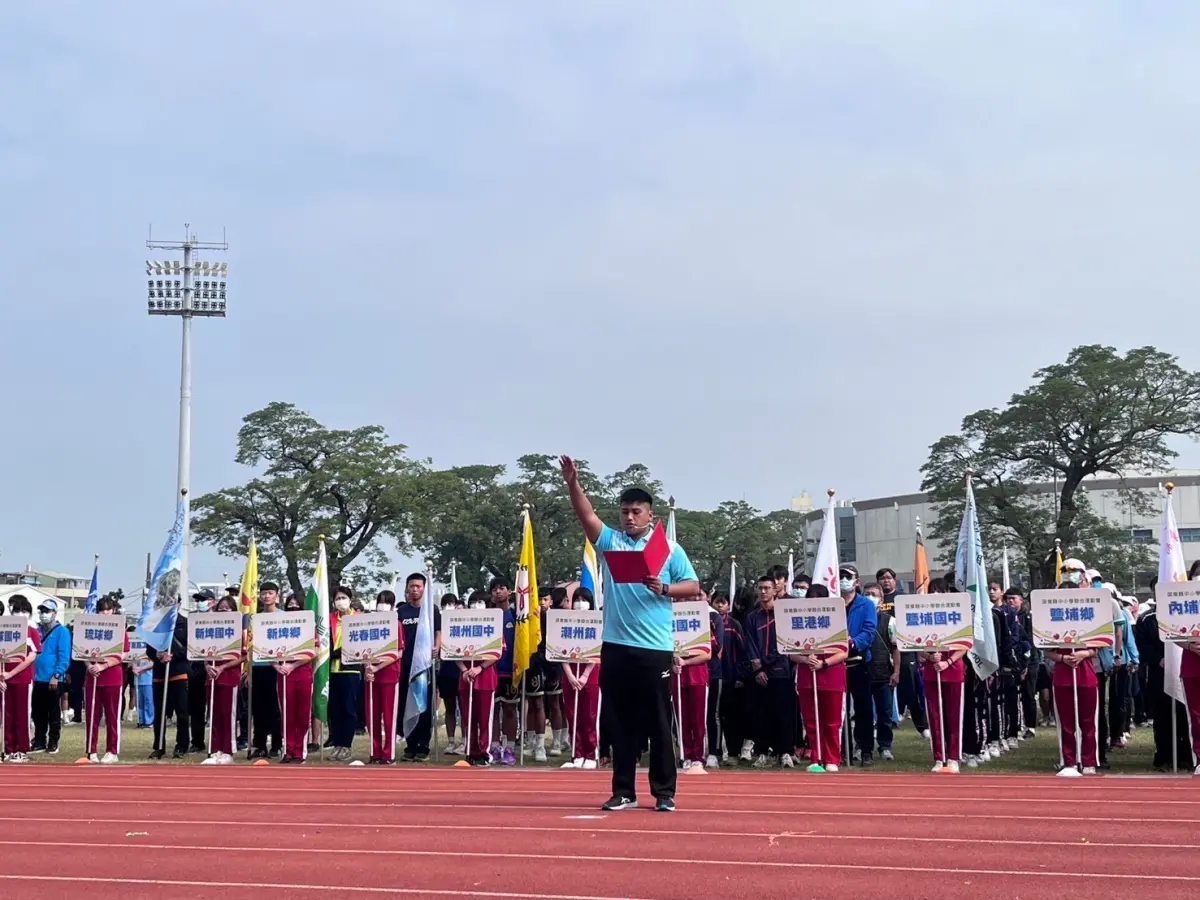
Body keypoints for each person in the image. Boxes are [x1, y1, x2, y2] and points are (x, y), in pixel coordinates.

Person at [561, 456, 700, 813]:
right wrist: (573, 484)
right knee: (619, 721)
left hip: (654, 648)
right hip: (616, 645)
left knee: (658, 720)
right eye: (624, 511)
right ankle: (624, 790)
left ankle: (664, 792)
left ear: (649, 514)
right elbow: (586, 514)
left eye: (636, 511)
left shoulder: (668, 548)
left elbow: (694, 586)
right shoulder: (610, 542)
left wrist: (664, 588)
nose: (629, 517)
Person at [789, 584, 847, 772]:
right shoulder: (799, 622)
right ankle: (816, 756)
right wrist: (805, 659)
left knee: (832, 721)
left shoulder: (837, 621)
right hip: (807, 677)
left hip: (831, 677)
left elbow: (843, 651)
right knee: (811, 721)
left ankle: (832, 758)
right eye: (810, 598)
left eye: (818, 598)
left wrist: (825, 663)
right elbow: (790, 652)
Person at [745, 575, 796, 768]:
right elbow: (749, 644)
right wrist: (758, 669)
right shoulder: (752, 617)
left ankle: (785, 752)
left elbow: (787, 641)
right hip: (760, 673)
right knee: (760, 713)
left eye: (767, 588)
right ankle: (763, 752)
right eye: (761, 588)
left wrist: (772, 660)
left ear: (775, 590)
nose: (763, 591)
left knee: (783, 713)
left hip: (781, 669)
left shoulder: (783, 614)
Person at [397, 572, 441, 760]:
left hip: (424, 666)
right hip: (405, 666)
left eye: (418, 586)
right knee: (406, 705)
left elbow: (439, 632)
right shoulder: (401, 612)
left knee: (424, 706)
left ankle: (423, 746)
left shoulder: (432, 610)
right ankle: (410, 745)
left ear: (424, 588)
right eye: (412, 586)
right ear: (407, 588)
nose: (415, 589)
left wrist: (436, 647)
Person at [840, 565, 878, 766]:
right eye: (840, 576)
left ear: (857, 581)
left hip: (860, 662)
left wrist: (853, 642)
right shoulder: (831, 604)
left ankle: (866, 750)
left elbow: (869, 631)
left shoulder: (866, 605)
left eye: (847, 576)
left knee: (863, 709)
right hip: (836, 663)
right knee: (839, 710)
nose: (843, 580)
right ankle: (842, 749)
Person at [672, 592, 715, 770]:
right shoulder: (668, 621)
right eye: (680, 599)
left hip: (697, 676)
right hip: (677, 676)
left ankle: (698, 756)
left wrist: (686, 661)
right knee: (681, 718)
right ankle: (685, 753)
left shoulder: (703, 622)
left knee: (698, 719)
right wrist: (672, 661)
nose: (683, 601)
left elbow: (707, 654)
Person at [561, 586, 602, 769]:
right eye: (577, 599)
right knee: (572, 714)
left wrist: (585, 675)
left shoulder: (597, 622)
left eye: (584, 600)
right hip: (570, 674)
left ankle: (591, 754)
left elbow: (597, 650)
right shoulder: (563, 623)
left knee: (590, 715)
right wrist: (570, 674)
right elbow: (558, 650)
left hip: (591, 675)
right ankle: (577, 753)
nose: (580, 603)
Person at [200, 594, 243, 765]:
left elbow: (243, 656)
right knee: (214, 714)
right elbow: (200, 651)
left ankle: (228, 750)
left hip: (229, 677)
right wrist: (207, 666)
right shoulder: (210, 630)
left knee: (228, 715)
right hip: (211, 678)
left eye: (227, 607)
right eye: (221, 607)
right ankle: (215, 749)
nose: (224, 610)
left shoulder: (238, 630)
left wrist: (223, 667)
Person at [84, 596, 128, 764]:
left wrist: (104, 666)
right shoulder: (88, 628)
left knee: (112, 716)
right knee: (92, 716)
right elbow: (81, 651)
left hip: (112, 678)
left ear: (113, 611)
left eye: (108, 610)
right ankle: (91, 750)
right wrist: (89, 665)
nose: (105, 613)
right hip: (92, 678)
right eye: (102, 610)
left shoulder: (119, 629)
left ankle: (112, 750)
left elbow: (123, 653)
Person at [0, 594, 41, 762]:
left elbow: (32, 655)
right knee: (6, 714)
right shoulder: (3, 630)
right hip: (5, 678)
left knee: (22, 714)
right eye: (12, 609)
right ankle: (8, 748)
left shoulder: (31, 631)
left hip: (23, 678)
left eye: (17, 609)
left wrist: (12, 673)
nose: (14, 612)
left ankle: (21, 749)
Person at [919, 631, 967, 774]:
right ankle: (939, 758)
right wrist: (930, 656)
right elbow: (915, 646)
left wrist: (948, 661)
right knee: (934, 717)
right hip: (931, 672)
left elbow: (965, 645)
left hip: (953, 672)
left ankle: (953, 757)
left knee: (954, 717)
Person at [277, 591, 317, 764]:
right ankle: (288, 750)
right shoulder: (277, 626)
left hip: (302, 673)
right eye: (289, 604)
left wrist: (293, 665)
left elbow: (313, 651)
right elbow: (265, 649)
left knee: (302, 714)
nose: (293, 607)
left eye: (296, 604)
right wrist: (277, 665)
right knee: (286, 714)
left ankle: (300, 751)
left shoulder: (309, 626)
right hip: (283, 674)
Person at [458, 609, 501, 767]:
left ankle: (484, 753)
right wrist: (464, 669)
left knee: (484, 719)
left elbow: (497, 653)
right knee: (468, 719)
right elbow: (452, 652)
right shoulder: (461, 627)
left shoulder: (492, 625)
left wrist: (480, 668)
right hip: (465, 679)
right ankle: (471, 751)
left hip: (485, 679)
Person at [365, 590, 403, 765]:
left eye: (387, 602)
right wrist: (368, 668)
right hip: (371, 676)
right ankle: (375, 751)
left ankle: (388, 754)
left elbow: (398, 652)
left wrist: (378, 666)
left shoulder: (397, 625)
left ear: (393, 606)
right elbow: (360, 650)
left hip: (389, 675)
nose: (382, 605)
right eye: (380, 601)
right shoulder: (368, 625)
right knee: (372, 716)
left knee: (388, 717)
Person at [147, 603, 190, 760]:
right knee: (159, 713)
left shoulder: (185, 623)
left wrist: (174, 654)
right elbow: (149, 648)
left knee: (182, 713)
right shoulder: (155, 624)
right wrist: (158, 655)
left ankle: (182, 745)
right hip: (160, 673)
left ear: (178, 604)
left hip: (179, 672)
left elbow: (192, 648)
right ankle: (159, 746)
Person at [864, 582, 900, 761]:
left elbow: (896, 648)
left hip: (884, 673)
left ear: (881, 599)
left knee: (885, 713)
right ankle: (863, 746)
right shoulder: (858, 619)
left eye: (874, 594)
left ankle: (885, 746)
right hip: (862, 673)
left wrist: (897, 672)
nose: (870, 597)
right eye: (867, 593)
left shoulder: (889, 621)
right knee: (864, 713)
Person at [31, 598, 70, 755]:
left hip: (52, 678)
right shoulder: (37, 630)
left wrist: (56, 675)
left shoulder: (62, 632)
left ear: (54, 613)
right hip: (37, 678)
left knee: (53, 712)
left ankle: (53, 742)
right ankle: (39, 740)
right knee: (37, 712)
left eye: (47, 611)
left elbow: (64, 656)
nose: (43, 614)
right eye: (42, 611)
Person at [250, 582, 283, 759]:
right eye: (263, 593)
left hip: (278, 668)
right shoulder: (255, 619)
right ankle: (259, 744)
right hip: (258, 667)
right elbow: (249, 645)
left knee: (276, 708)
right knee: (258, 709)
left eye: (270, 593)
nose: (266, 596)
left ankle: (277, 745)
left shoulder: (284, 617)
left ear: (277, 595)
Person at [327, 585, 361, 761]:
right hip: (332, 669)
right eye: (337, 598)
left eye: (343, 597)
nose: (341, 601)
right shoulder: (328, 619)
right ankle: (337, 743)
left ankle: (346, 745)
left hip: (351, 669)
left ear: (350, 599)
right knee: (335, 709)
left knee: (348, 709)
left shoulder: (358, 619)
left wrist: (340, 652)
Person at [489, 577, 519, 765]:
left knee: (510, 709)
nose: (498, 592)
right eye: (494, 589)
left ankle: (509, 748)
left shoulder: (517, 616)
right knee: (493, 711)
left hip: (510, 670)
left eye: (502, 588)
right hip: (490, 670)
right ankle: (493, 746)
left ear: (509, 592)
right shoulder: (487, 617)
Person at [544, 587, 569, 757]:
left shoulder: (564, 618)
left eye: (544, 599)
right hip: (543, 661)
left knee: (559, 703)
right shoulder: (541, 617)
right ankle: (559, 739)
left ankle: (560, 740)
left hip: (560, 663)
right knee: (552, 703)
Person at [437, 593, 464, 755]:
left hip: (461, 670)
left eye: (451, 603)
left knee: (464, 707)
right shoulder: (440, 624)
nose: (449, 606)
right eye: (446, 604)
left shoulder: (462, 623)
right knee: (449, 708)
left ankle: (464, 741)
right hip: (446, 670)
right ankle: (451, 741)